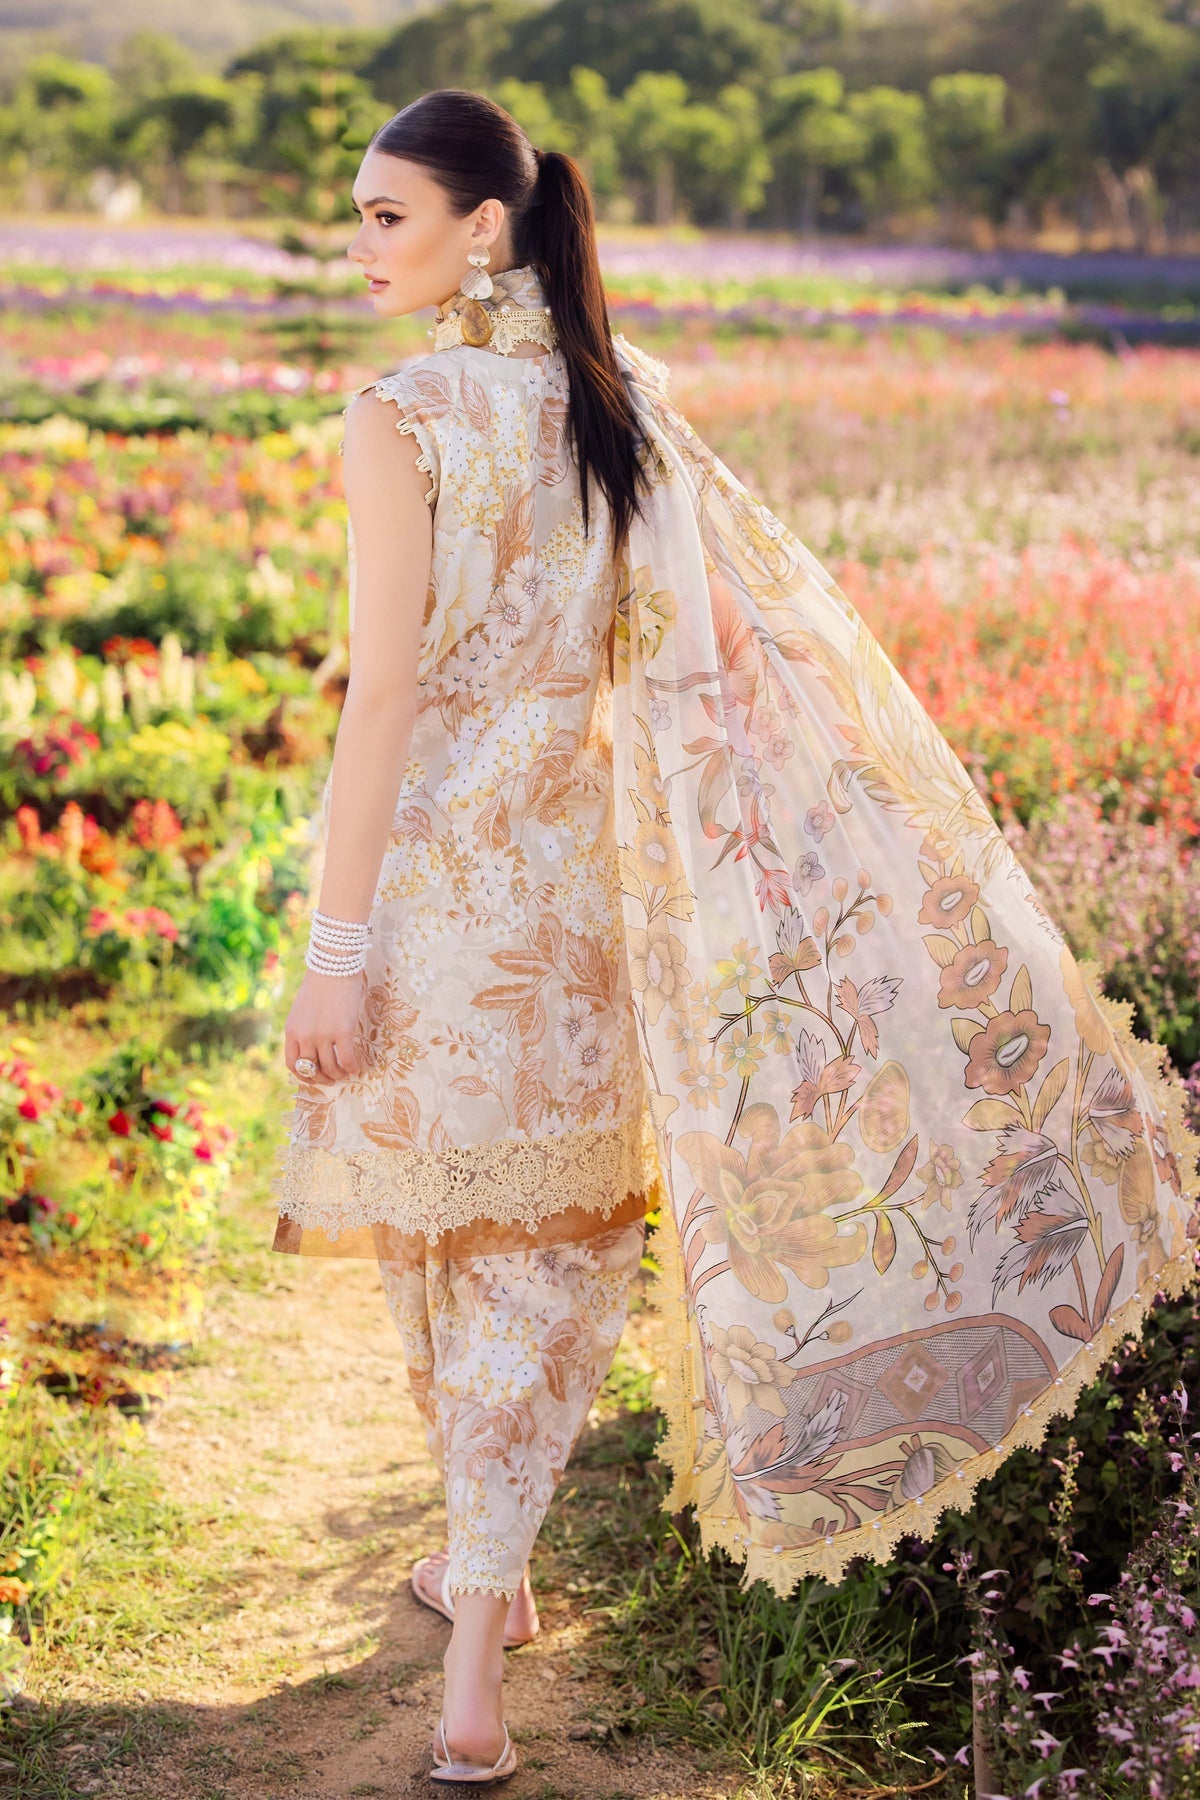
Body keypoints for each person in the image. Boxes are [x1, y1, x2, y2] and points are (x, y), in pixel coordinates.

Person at [271, 87, 1200, 1786]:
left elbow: (381, 697)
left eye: (386, 214)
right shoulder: (623, 402)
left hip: (434, 884)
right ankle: (487, 1603)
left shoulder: (399, 416)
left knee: (447, 1232)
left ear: (485, 227)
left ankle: (478, 1625)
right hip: (587, 888)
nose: (360, 245)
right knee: (546, 1249)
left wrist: (336, 952)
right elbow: (693, 659)